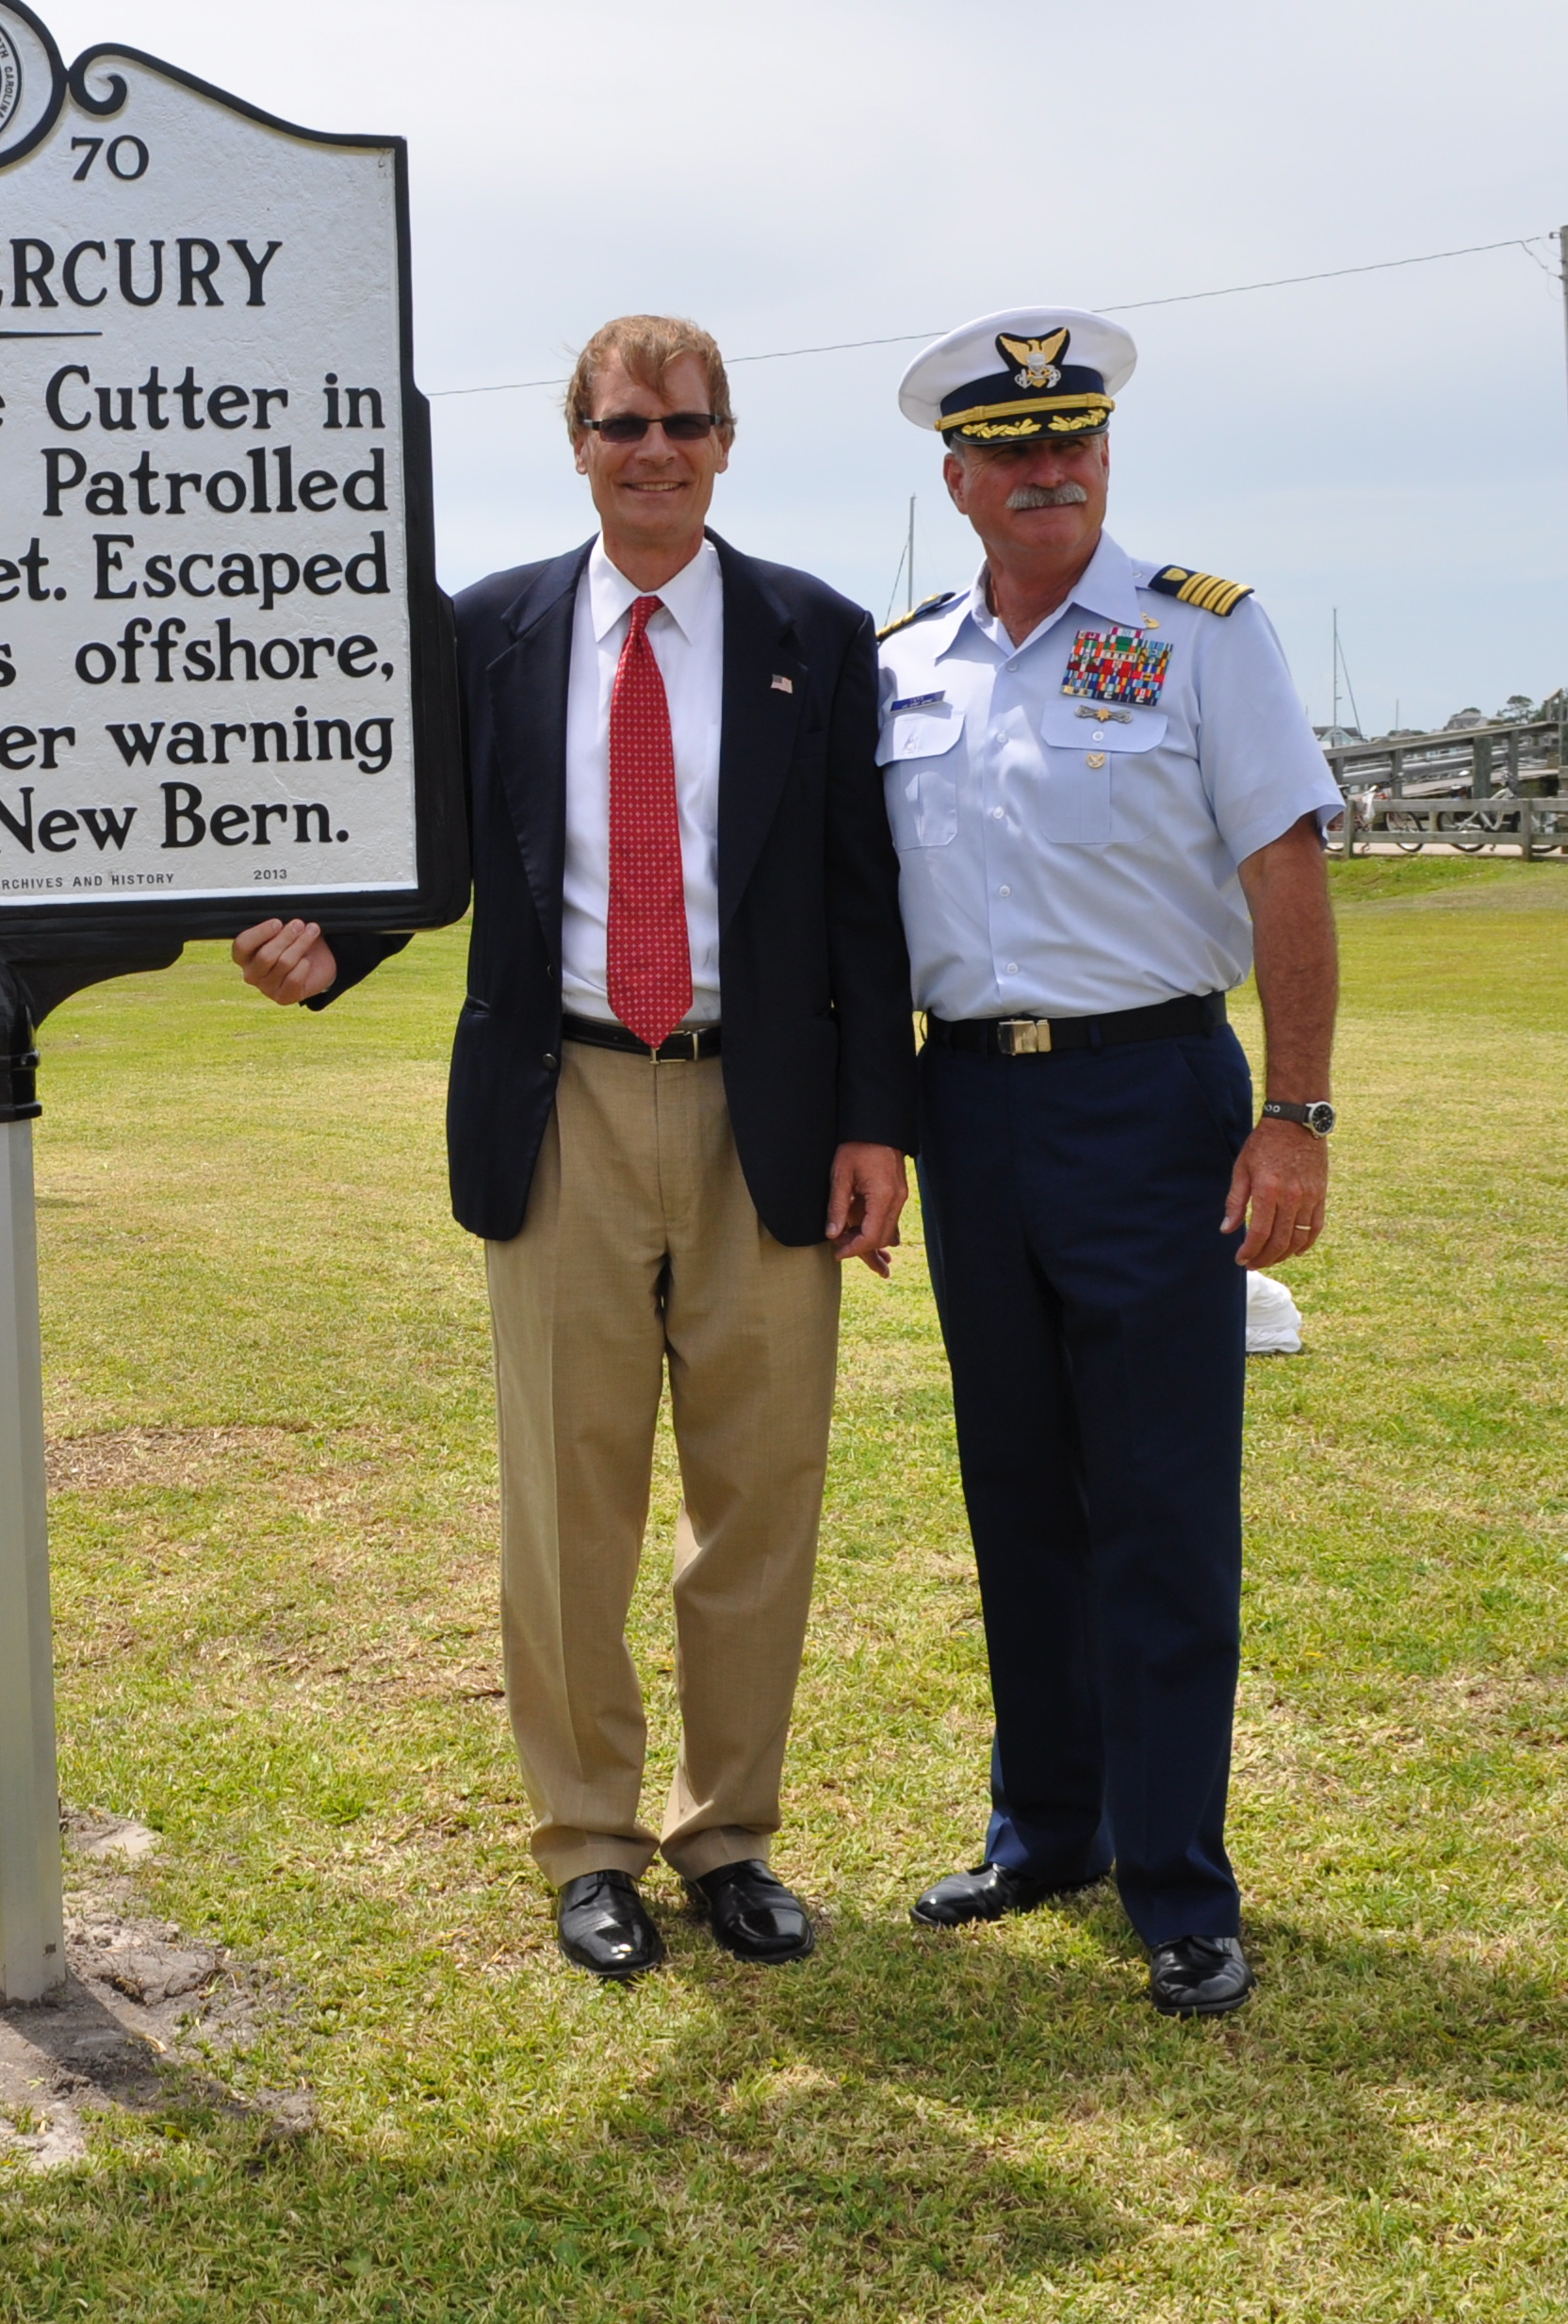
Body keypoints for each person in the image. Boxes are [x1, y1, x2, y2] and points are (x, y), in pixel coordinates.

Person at [233, 316, 913, 1978]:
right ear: (579, 442)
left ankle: (729, 1836)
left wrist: (876, 1123)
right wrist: (333, 945)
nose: (653, 450)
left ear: (728, 440)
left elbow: (859, 893)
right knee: (569, 1502)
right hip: (569, 1105)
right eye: (623, 425)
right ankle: (590, 1842)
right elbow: (439, 857)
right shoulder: (494, 633)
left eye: (683, 423)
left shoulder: (812, 633)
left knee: (759, 1497)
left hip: (768, 1111)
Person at [872, 309, 1342, 2020]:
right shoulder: (902, 660)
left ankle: (1179, 1878)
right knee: (1021, 1495)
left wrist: (1294, 1117)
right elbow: (870, 917)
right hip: (970, 1109)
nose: (1048, 469)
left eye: (1074, 439)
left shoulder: (1204, 636)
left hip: (1153, 1100)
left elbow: (1286, 874)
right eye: (1012, 449)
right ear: (958, 479)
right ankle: (1044, 1827)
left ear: (1105, 456)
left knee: (1157, 1504)